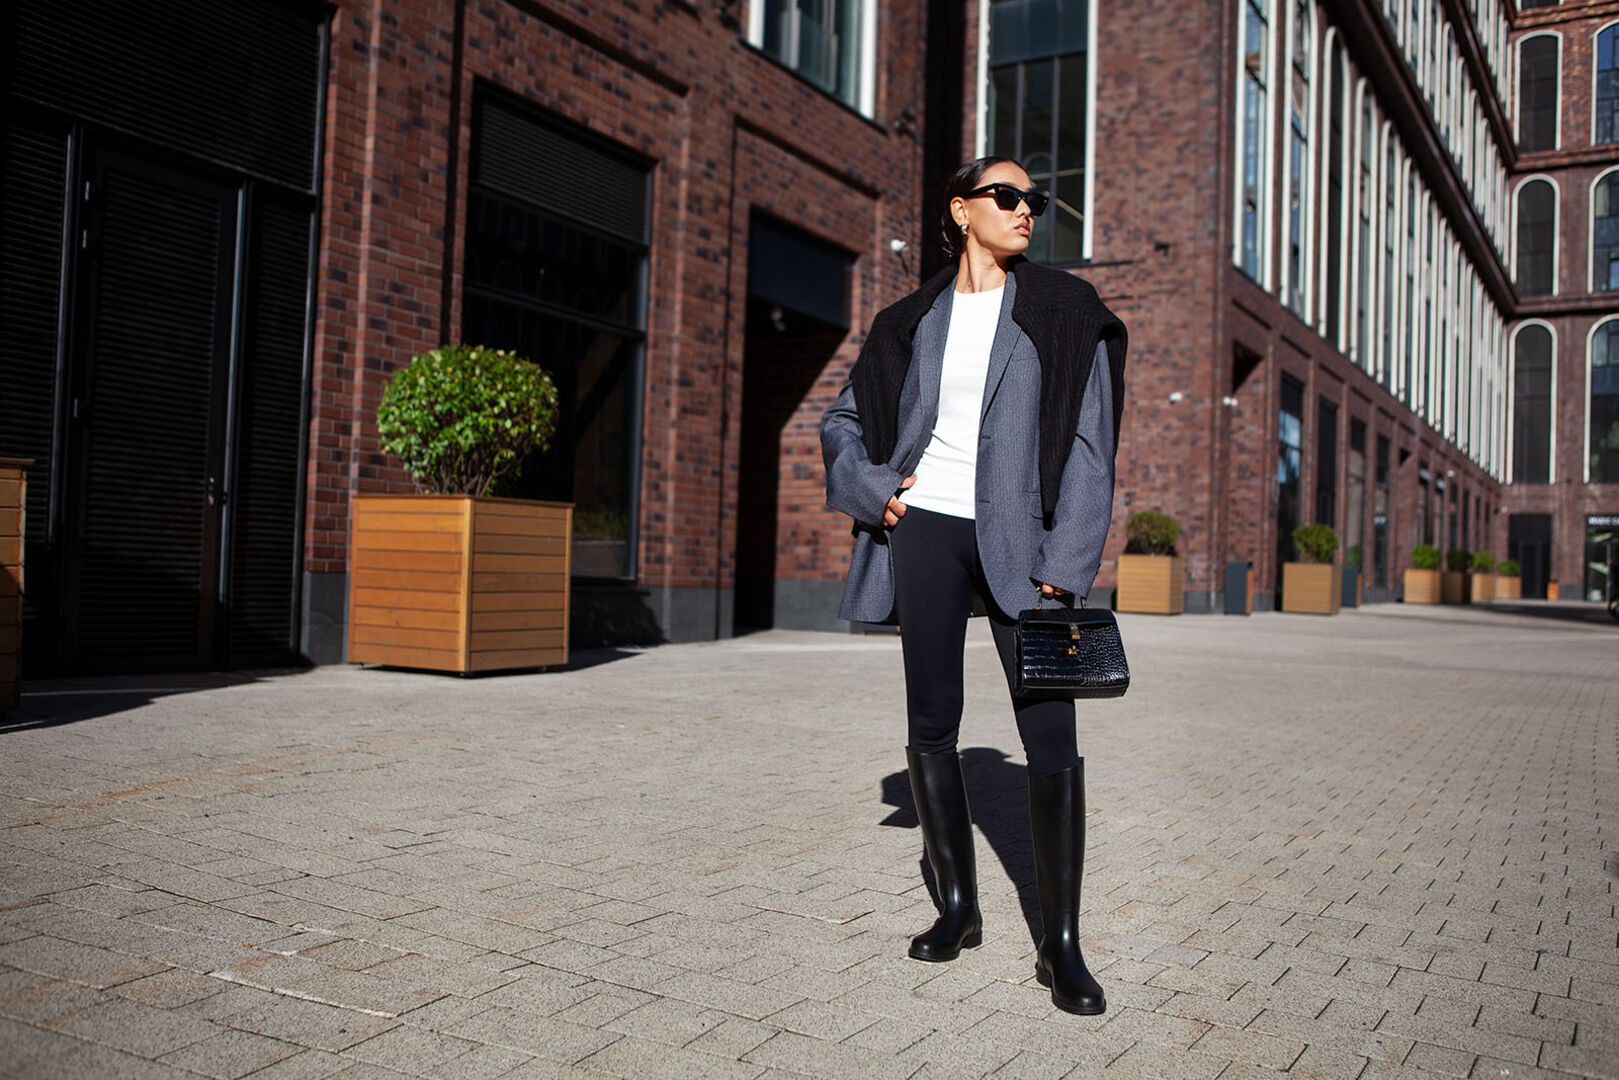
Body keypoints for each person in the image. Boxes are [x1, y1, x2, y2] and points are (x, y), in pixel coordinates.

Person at [820, 156, 1126, 1016]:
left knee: (1050, 736)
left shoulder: (1063, 311)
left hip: (1025, 551)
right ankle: (957, 908)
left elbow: (1093, 453)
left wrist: (1065, 567)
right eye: (1006, 196)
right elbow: (842, 419)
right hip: (923, 533)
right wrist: (878, 495)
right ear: (960, 211)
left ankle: (1058, 944)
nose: (1025, 209)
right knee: (931, 722)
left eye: (1033, 199)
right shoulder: (910, 318)